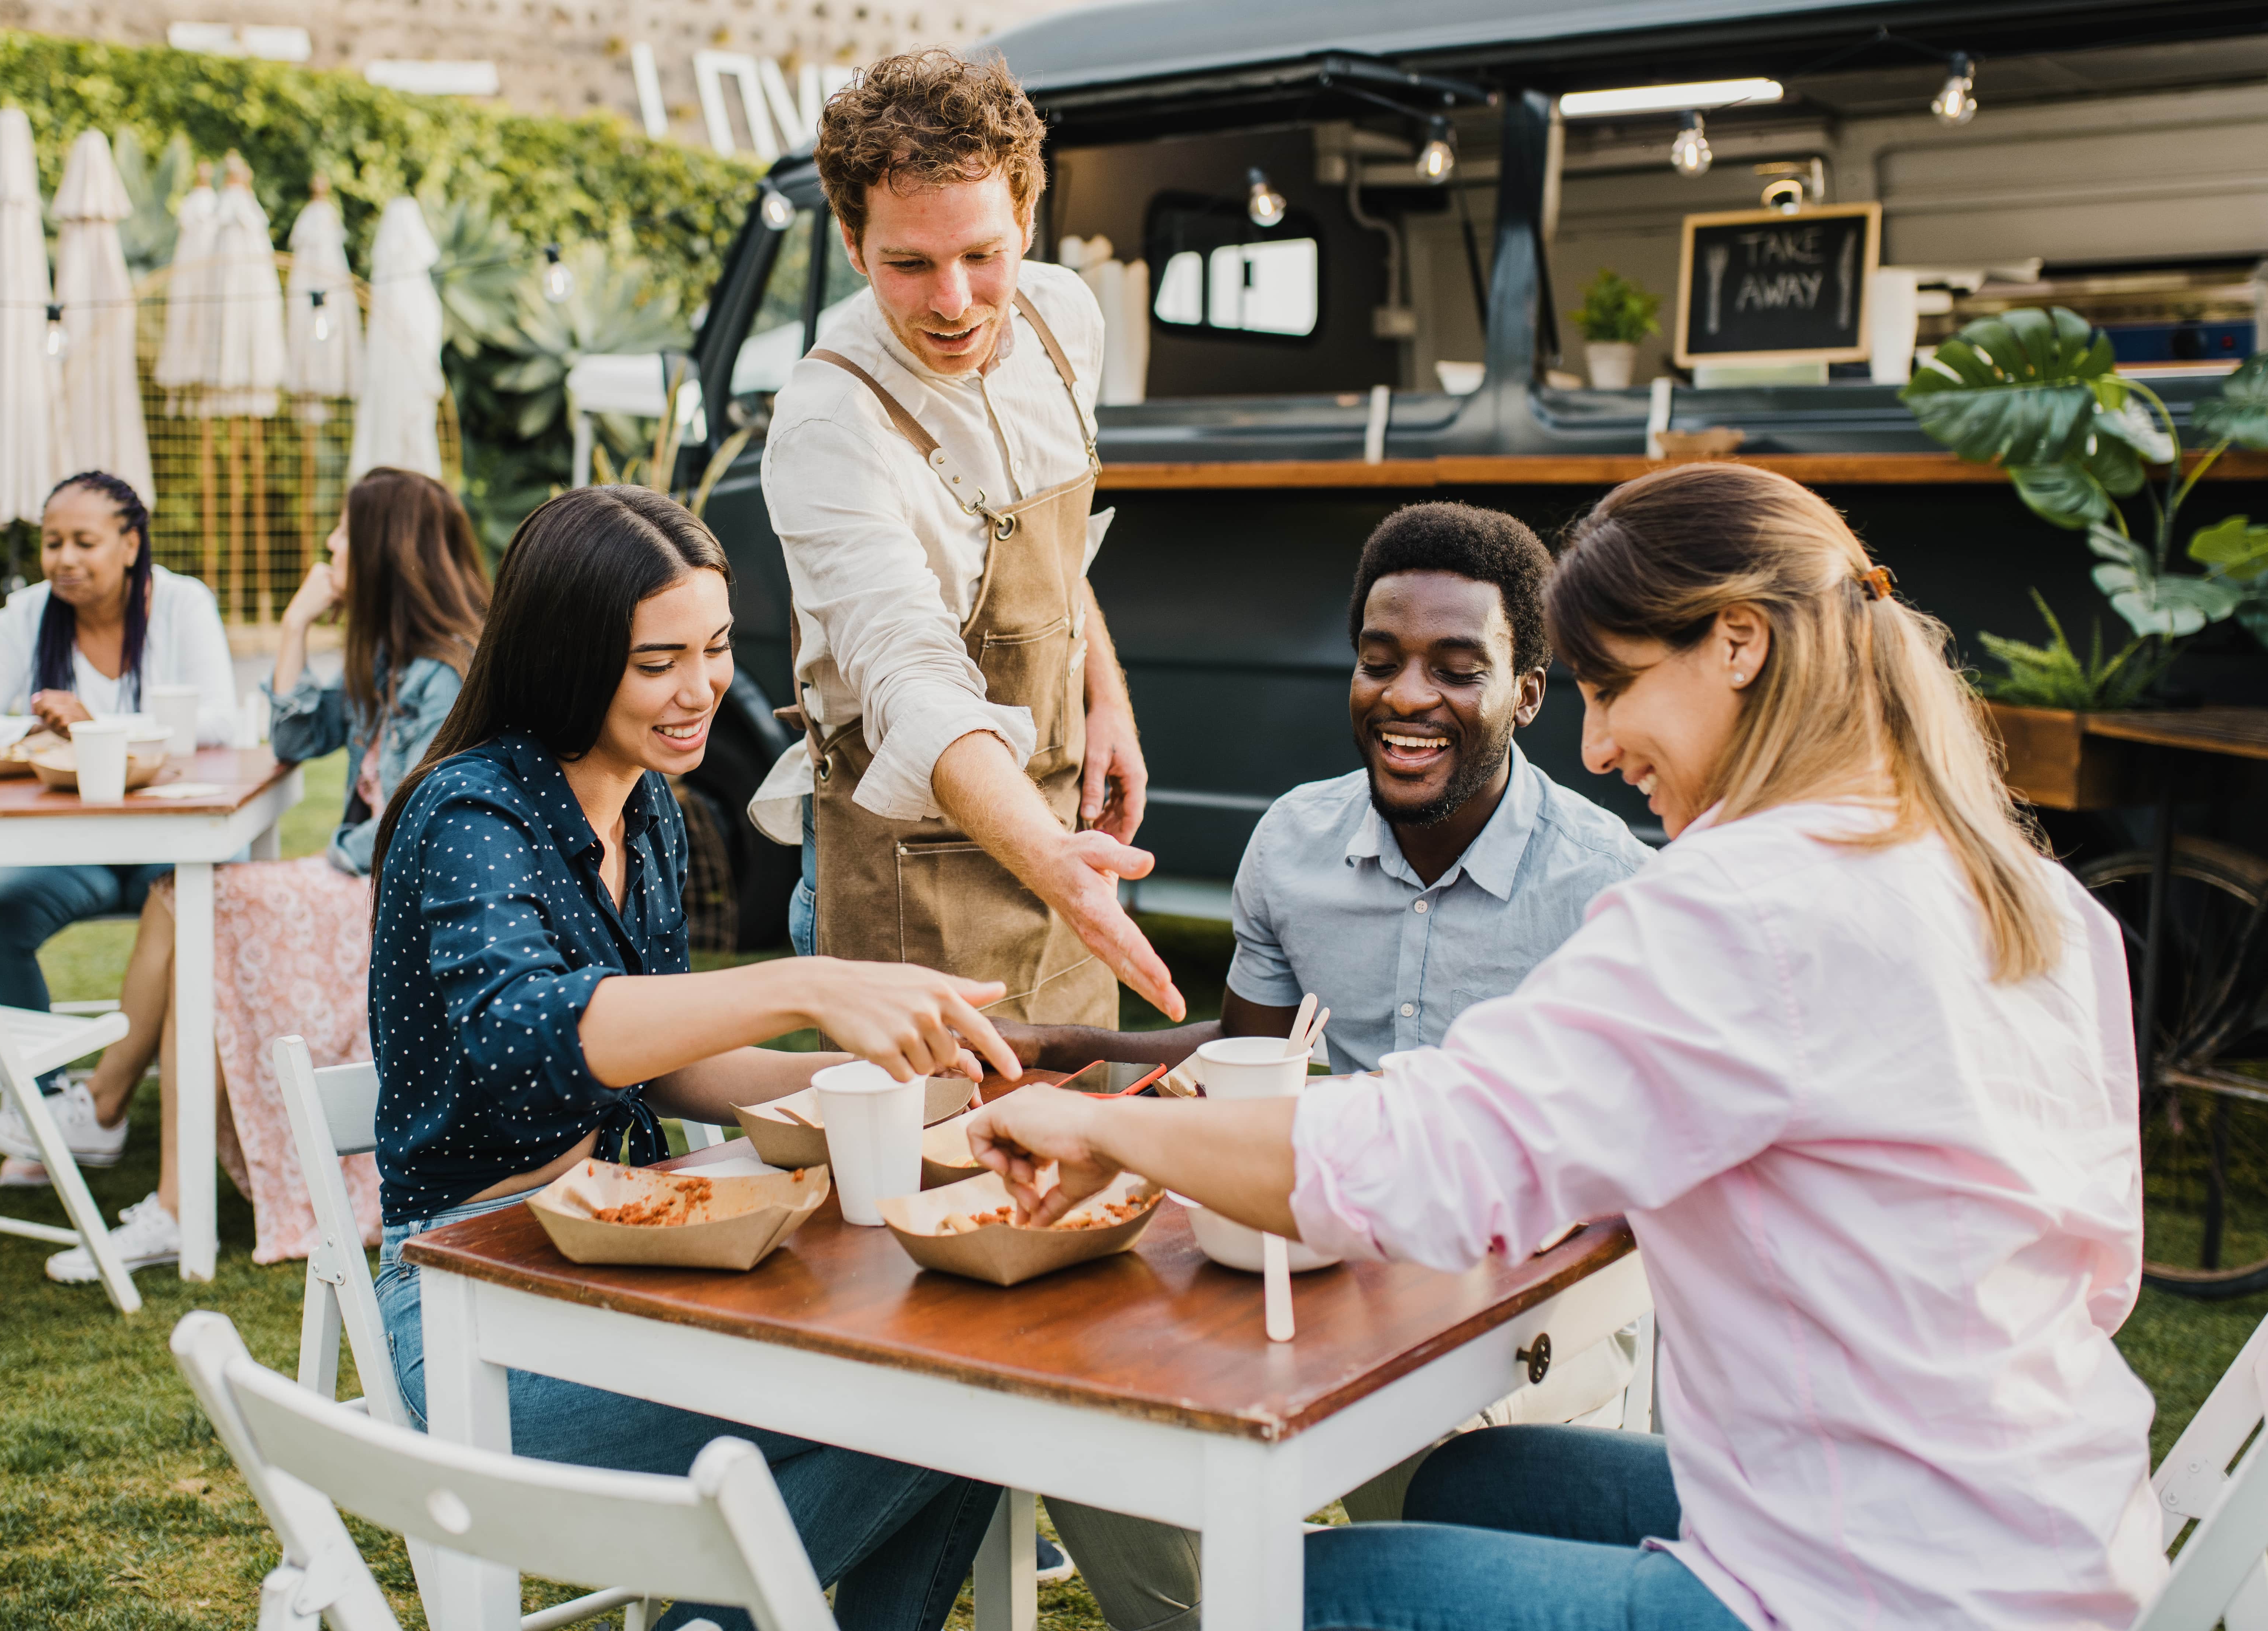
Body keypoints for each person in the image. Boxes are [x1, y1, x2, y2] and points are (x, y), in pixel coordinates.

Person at [967, 462, 2166, 1630]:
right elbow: (2105, 1263)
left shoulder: (1738, 903)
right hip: (2047, 1528)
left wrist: (1104, 1123)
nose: (1595, 744)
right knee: (1468, 1484)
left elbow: (1438, 1161)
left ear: (1737, 645)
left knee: (1297, 1594)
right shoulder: (2030, 893)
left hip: (1870, 1588)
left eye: (1612, 684)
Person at [370, 483, 1023, 1631]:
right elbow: (534, 1042)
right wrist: (808, 985)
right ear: (568, 658)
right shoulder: (467, 816)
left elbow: (653, 1063)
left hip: (638, 1254)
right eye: (656, 661)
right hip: (477, 1310)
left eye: (717, 648)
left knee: (971, 1367)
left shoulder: (649, 807)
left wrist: (897, 1089)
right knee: (958, 1402)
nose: (700, 691)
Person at [990, 502, 1655, 1542]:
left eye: (1455, 668)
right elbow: (1255, 1063)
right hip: (1312, 1260)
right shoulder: (1291, 845)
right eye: (1378, 659)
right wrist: (1075, 1050)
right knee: (1079, 1407)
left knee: (1413, 1474)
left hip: (1513, 1309)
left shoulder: (1606, 886)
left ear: (1526, 694)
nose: (1407, 697)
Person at [746, 48, 1184, 1033]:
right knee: (913, 1179)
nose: (953, 302)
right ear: (855, 246)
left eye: (982, 255)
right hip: (903, 877)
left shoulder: (1063, 317)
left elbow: (1056, 553)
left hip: (1057, 839)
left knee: (1081, 1160)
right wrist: (1058, 868)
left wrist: (1102, 700)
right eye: (909, 264)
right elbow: (911, 678)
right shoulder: (826, 423)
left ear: (1026, 220)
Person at [0, 469, 491, 1282]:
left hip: (383, 893)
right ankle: (125, 1141)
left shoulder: (447, 673)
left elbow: (414, 821)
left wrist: (329, 866)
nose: (329, 549)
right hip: (356, 881)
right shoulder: (389, 655)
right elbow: (293, 739)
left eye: (341, 537)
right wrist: (294, 626)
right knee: (191, 900)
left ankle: (117, 1127)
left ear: (384, 550)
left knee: (197, 901)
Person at [0, 471, 240, 1071]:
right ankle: (44, 1100)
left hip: (173, 844)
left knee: (196, 900)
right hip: (70, 851)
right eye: (53, 543)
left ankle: (109, 1091)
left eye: (84, 541)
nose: (64, 559)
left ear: (130, 545)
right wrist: (33, 728)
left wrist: (94, 726)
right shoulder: (24, 617)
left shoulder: (182, 604)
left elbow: (221, 721)